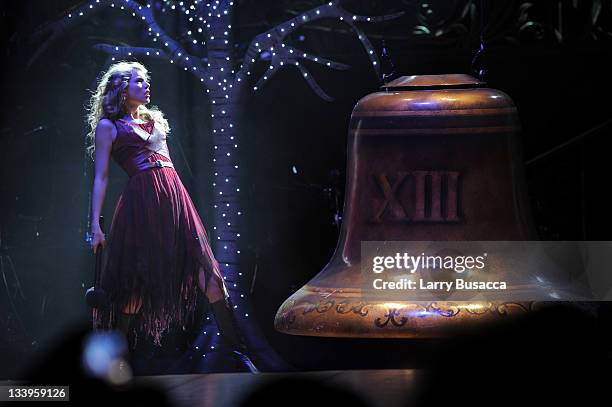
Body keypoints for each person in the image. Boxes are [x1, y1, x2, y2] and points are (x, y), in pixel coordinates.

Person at [86, 60, 258, 373]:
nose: (145, 85)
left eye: (145, 80)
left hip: (175, 199)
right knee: (133, 289)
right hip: (141, 203)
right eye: (138, 81)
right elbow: (101, 177)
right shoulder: (108, 127)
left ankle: (238, 355)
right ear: (122, 89)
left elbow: (167, 166)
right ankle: (114, 365)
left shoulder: (157, 120)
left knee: (212, 278)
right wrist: (94, 225)